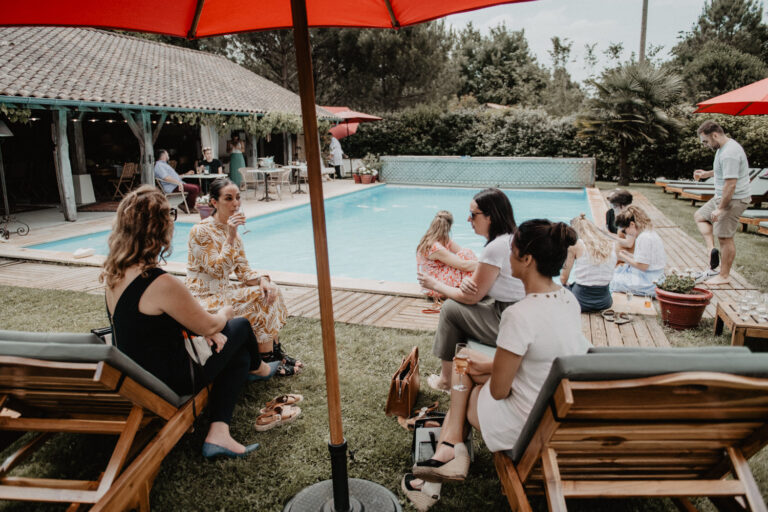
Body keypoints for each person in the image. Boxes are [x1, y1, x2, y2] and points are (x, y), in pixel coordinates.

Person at [402, 220, 588, 510]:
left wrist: (482, 367)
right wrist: (490, 364)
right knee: (469, 362)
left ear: (526, 260)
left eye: (511, 251)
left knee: (464, 364)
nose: (507, 257)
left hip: (523, 425)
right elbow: (540, 358)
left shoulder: (519, 315)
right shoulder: (569, 300)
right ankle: (447, 455)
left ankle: (447, 455)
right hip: (552, 410)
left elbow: (500, 391)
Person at [101, 186, 281, 460]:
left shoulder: (114, 274)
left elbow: (148, 327)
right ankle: (262, 368)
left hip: (137, 370)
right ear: (161, 229)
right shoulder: (159, 282)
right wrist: (226, 312)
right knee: (241, 327)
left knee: (237, 356)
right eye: (170, 216)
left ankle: (219, 433)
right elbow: (211, 326)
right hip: (171, 378)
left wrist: (206, 331)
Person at [186, 178, 303, 375]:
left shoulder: (235, 235)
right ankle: (266, 360)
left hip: (223, 293)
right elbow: (216, 270)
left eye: (238, 198)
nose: (235, 204)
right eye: (228, 198)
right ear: (214, 202)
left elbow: (244, 273)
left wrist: (263, 281)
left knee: (269, 290)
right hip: (202, 299)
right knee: (257, 298)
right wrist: (230, 236)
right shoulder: (200, 231)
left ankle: (275, 352)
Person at [417, 188, 524, 393]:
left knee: (451, 309)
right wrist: (470, 287)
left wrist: (435, 285)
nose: (469, 219)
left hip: (508, 320)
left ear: (490, 217)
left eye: (473, 214)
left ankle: (447, 381)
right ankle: (458, 374)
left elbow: (469, 297)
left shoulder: (496, 247)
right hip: (514, 313)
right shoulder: (511, 239)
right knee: (462, 308)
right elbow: (489, 286)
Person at [693, 120, 751, 285]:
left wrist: (720, 209)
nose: (705, 145)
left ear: (715, 135)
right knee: (700, 216)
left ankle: (724, 276)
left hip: (733, 199)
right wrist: (706, 174)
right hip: (723, 197)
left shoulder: (729, 153)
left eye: (706, 141)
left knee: (725, 237)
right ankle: (711, 249)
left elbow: (730, 184)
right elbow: (722, 171)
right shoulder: (723, 148)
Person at [416, 210, 478, 300]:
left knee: (466, 252)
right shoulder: (434, 246)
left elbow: (463, 253)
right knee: (465, 260)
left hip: (440, 280)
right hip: (434, 286)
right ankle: (474, 289)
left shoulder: (443, 240)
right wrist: (486, 266)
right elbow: (463, 265)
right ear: (449, 226)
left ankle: (475, 286)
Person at [560, 214, 617, 312]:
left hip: (580, 301)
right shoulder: (610, 244)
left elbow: (563, 278)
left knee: (559, 289)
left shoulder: (576, 245)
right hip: (604, 302)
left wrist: (567, 284)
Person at [609, 206, 666, 297]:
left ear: (632, 224)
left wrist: (624, 257)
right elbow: (647, 260)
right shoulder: (649, 233)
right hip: (656, 277)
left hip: (649, 282)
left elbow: (643, 266)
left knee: (612, 280)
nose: (625, 233)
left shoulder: (644, 238)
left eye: (624, 230)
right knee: (616, 272)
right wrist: (628, 255)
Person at [154, 149, 199, 213]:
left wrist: (186, 174)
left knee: (197, 187)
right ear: (163, 155)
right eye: (167, 153)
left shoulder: (164, 165)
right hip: (172, 187)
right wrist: (179, 183)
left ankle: (184, 205)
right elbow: (165, 178)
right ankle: (189, 207)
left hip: (176, 185)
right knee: (195, 189)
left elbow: (175, 177)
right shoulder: (159, 165)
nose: (168, 155)